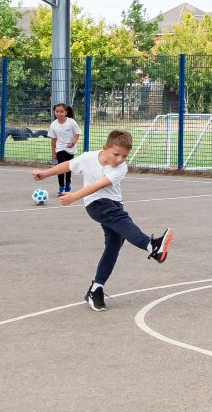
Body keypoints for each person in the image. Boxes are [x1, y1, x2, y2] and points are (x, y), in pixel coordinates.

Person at [33, 130, 172, 311]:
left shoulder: (121, 168)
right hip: (96, 204)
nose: (120, 159)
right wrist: (45, 174)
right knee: (121, 219)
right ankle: (151, 246)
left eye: (124, 156)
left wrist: (74, 196)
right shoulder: (88, 158)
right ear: (105, 149)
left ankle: (96, 288)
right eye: (116, 154)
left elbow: (100, 184)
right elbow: (68, 165)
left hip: (114, 204)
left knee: (115, 243)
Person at [46, 102, 82, 197]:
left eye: (61, 111)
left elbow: (77, 133)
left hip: (70, 149)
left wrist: (73, 143)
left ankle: (67, 185)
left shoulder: (71, 122)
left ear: (66, 112)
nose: (59, 113)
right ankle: (61, 188)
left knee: (68, 168)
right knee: (60, 168)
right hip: (60, 148)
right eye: (57, 111)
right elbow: (53, 140)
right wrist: (53, 151)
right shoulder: (53, 125)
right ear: (54, 112)